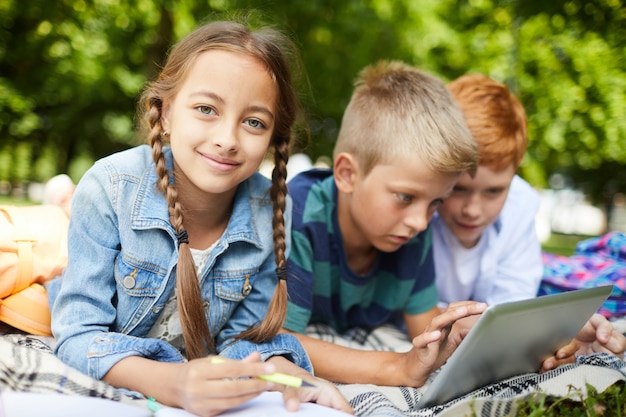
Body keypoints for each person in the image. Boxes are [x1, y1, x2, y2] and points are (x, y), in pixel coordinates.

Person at [49, 20, 352, 417]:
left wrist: (283, 373)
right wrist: (173, 383)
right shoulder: (110, 187)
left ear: (275, 137)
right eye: (206, 109)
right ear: (166, 112)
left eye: (254, 122)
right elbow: (77, 337)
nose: (228, 138)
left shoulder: (272, 208)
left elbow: (245, 340)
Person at [282, 60, 488, 388]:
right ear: (347, 174)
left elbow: (424, 327)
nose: (421, 222)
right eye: (405, 197)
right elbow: (282, 341)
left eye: (436, 202)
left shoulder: (412, 233)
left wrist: (478, 336)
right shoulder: (299, 214)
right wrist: (394, 368)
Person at [431, 73, 626, 369]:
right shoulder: (421, 207)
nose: (473, 210)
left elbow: (512, 303)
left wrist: (546, 335)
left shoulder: (520, 204)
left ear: (514, 174)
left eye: (494, 191)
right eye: (458, 189)